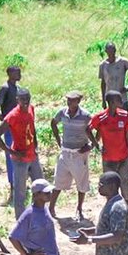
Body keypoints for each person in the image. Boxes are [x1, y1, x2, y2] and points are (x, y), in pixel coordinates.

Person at [0, 88, 44, 218]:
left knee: (40, 186)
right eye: (22, 99)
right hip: (20, 159)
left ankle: (37, 214)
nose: (25, 101)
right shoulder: (12, 116)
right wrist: (11, 151)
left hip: (32, 155)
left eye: (27, 98)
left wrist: (35, 143)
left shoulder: (31, 108)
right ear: (17, 100)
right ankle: (21, 220)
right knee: (20, 193)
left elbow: (32, 126)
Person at [49, 91, 93, 220]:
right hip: (65, 153)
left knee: (81, 183)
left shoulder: (85, 116)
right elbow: (53, 123)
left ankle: (79, 209)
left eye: (72, 100)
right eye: (68, 100)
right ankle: (51, 208)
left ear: (78, 101)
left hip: (79, 154)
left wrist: (91, 145)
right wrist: (58, 140)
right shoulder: (63, 112)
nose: (69, 103)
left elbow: (97, 128)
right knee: (58, 182)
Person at [89, 91, 128, 211]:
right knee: (110, 191)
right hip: (109, 160)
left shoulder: (124, 116)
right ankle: (112, 215)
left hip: (123, 158)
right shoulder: (101, 117)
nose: (121, 102)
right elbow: (88, 129)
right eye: (119, 100)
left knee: (126, 190)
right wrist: (96, 145)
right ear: (113, 103)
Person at [0, 65, 22, 189]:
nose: (19, 74)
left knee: (19, 151)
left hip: (19, 126)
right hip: (9, 127)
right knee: (10, 153)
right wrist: (4, 120)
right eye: (16, 72)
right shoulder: (5, 88)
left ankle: (19, 179)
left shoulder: (18, 88)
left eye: (19, 72)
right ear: (9, 74)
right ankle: (13, 182)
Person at [98, 42, 128, 111]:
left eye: (112, 50)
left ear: (115, 50)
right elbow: (103, 83)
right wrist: (104, 100)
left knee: (124, 118)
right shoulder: (103, 65)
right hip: (110, 99)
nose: (111, 53)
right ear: (106, 51)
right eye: (109, 51)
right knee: (112, 120)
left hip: (122, 97)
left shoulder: (123, 62)